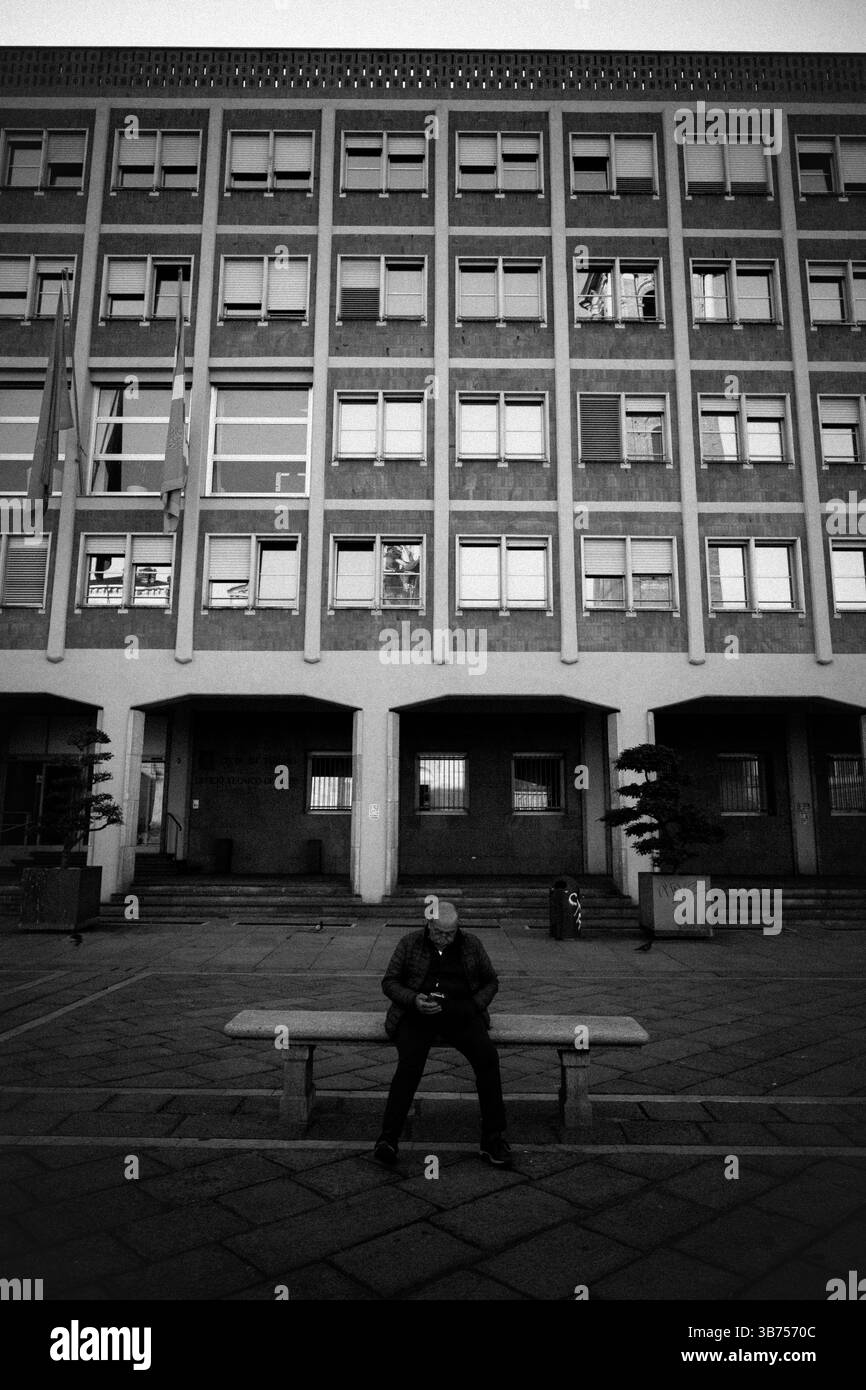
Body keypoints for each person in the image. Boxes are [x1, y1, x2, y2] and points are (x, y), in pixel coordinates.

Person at [373, 900, 512, 1168]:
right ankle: (388, 1139)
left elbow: (491, 981)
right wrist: (414, 1000)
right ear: (429, 925)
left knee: (487, 1059)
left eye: (451, 933)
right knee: (409, 1065)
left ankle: (493, 1138)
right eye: (439, 933)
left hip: (462, 1013)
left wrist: (474, 1006)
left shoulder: (471, 944)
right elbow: (390, 982)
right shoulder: (410, 943)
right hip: (417, 1015)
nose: (445, 939)